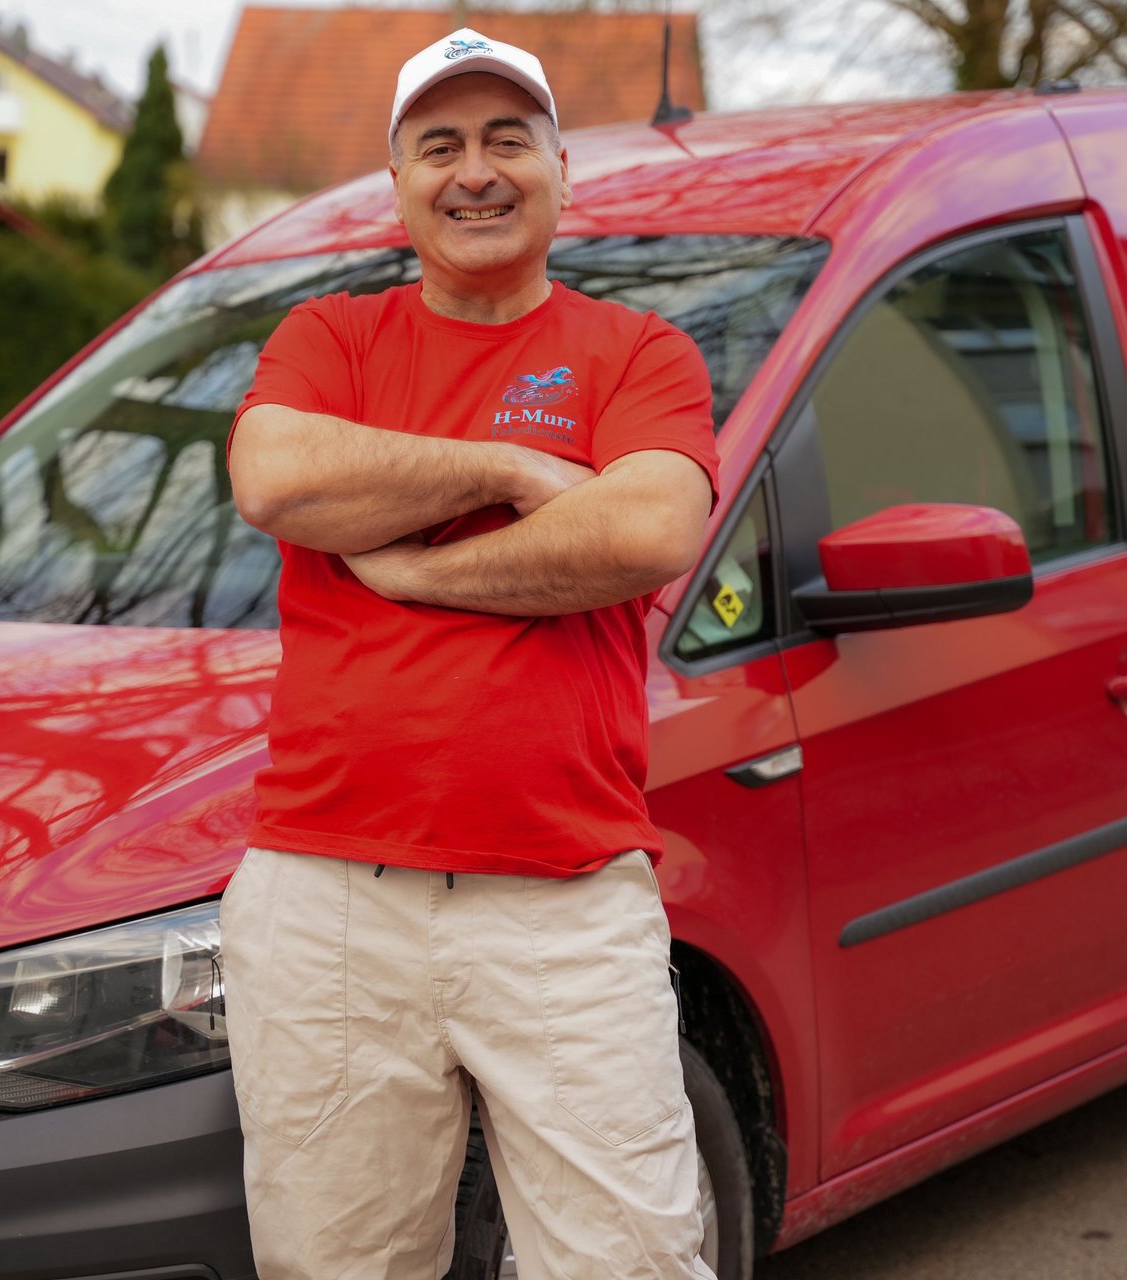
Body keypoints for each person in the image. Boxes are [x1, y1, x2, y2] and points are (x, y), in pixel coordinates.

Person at [222, 27, 722, 1280]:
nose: (475, 171)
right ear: (397, 183)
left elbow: (647, 525)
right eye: (438, 145)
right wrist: (509, 469)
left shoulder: (637, 354)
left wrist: (410, 564)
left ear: (563, 169)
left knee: (632, 1260)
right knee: (337, 1265)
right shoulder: (331, 338)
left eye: (508, 139)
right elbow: (278, 477)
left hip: (563, 898)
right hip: (330, 897)